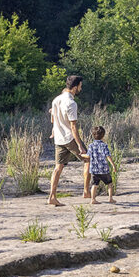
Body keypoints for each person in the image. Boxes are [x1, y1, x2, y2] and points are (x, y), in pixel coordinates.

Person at [47, 74, 90, 206]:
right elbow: (73, 126)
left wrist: (54, 130)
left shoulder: (56, 100)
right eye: (80, 86)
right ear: (75, 87)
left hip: (59, 139)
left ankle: (52, 196)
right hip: (69, 138)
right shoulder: (71, 103)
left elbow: (53, 119)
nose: (80, 89)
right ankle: (86, 191)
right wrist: (80, 146)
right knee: (88, 159)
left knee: (58, 167)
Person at [86, 125, 116, 204]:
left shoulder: (91, 146)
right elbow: (108, 156)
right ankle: (110, 198)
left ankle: (93, 199)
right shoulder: (104, 145)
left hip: (94, 169)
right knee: (109, 183)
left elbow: (88, 156)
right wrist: (113, 165)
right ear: (103, 135)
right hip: (104, 169)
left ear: (93, 135)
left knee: (94, 184)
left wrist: (81, 155)